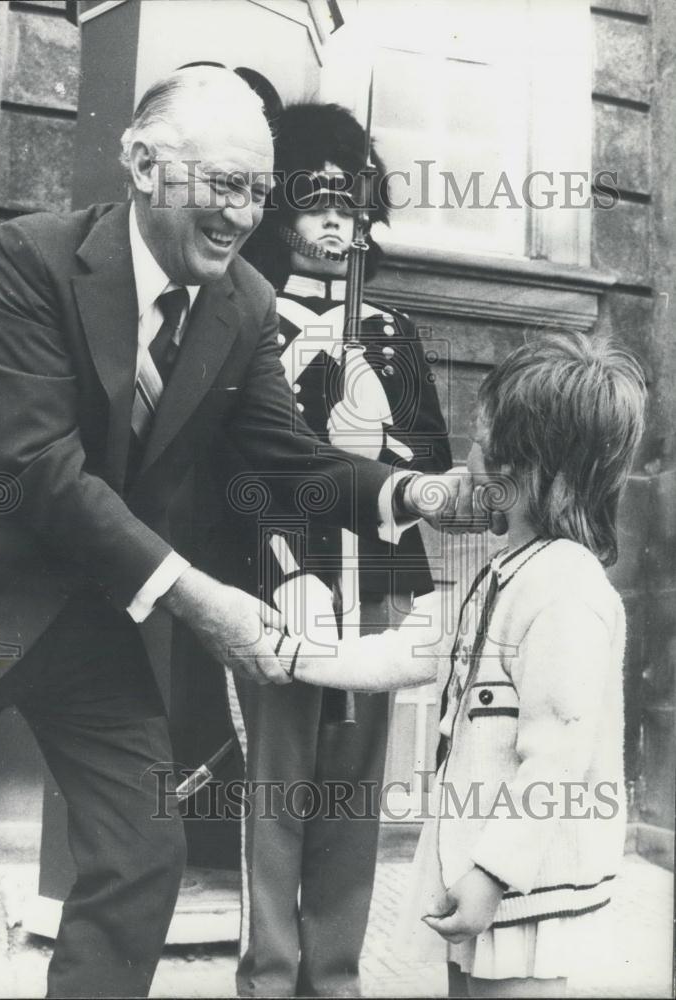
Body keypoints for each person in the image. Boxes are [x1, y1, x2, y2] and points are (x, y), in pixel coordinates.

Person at [0, 67, 467, 999]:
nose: (241, 213)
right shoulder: (32, 256)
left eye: (257, 191)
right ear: (143, 164)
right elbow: (41, 470)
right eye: (225, 185)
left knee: (142, 857)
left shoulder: (243, 301)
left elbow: (290, 460)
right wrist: (196, 595)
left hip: (96, 624)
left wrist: (413, 493)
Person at [278, 333, 647, 998]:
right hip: (479, 868)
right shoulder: (506, 570)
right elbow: (407, 654)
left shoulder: (565, 590)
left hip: (522, 882)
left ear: (533, 471)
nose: (466, 461)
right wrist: (293, 652)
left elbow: (555, 758)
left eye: (482, 444)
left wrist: (491, 874)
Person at [207, 102, 451, 998]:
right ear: (282, 213)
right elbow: (229, 469)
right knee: (276, 793)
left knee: (351, 794)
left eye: (350, 207)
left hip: (377, 584)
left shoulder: (394, 335)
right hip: (278, 578)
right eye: (316, 205)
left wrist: (377, 440)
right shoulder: (243, 322)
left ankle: (334, 974)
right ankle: (268, 975)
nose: (336, 223)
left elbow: (430, 467)